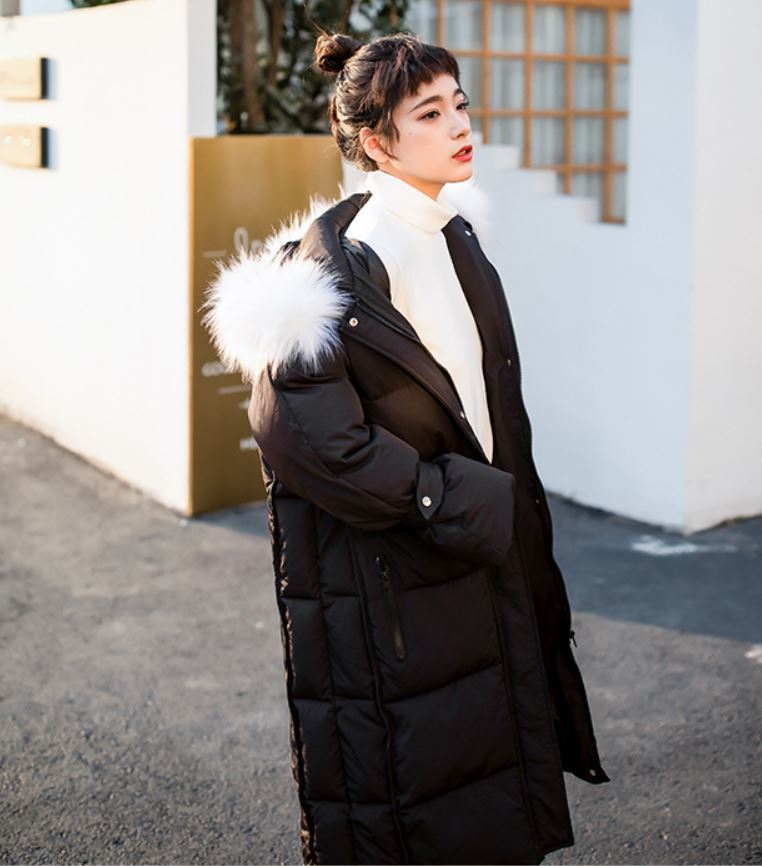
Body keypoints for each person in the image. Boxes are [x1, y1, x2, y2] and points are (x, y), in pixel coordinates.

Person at [202, 29, 610, 866]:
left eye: (459, 103)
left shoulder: (454, 237)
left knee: (493, 783)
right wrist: (445, 498)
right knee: (424, 807)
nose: (460, 124)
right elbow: (304, 436)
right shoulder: (331, 277)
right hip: (405, 583)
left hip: (479, 559)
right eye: (429, 113)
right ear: (377, 142)